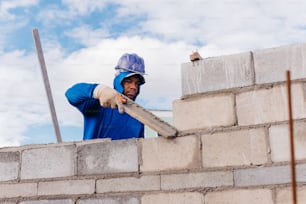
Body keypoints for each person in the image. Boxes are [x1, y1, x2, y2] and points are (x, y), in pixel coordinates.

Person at [65, 53, 146, 140]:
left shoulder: (139, 118)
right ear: (118, 80)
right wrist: (98, 90)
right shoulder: (97, 104)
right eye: (128, 81)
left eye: (137, 83)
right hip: (91, 153)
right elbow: (71, 94)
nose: (134, 87)